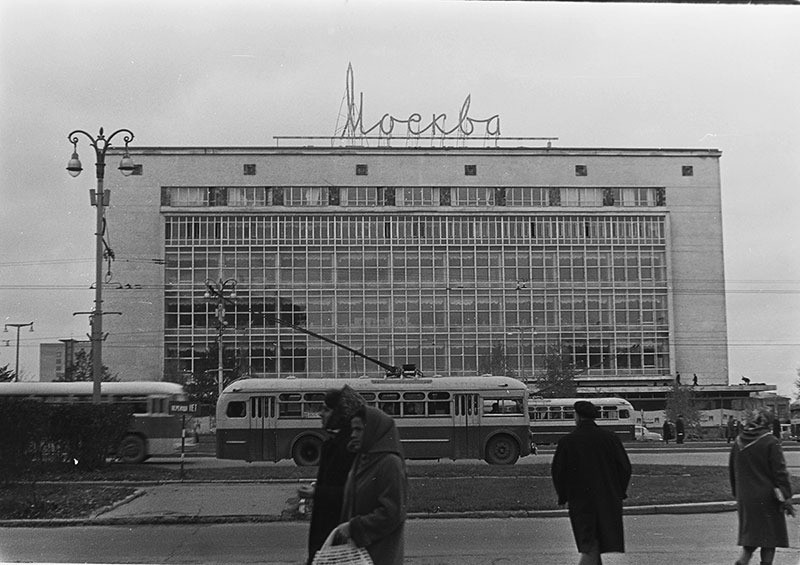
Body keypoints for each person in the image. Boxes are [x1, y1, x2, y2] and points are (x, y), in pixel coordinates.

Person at [551, 401, 632, 565]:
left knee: (589, 543)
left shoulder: (568, 441)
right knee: (596, 541)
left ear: (578, 417)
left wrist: (563, 495)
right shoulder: (611, 439)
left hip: (580, 500)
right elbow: (625, 468)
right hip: (608, 498)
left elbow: (558, 472)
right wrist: (618, 492)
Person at [332, 405, 407, 565]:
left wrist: (354, 528)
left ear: (373, 430)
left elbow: (392, 513)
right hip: (358, 554)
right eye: (353, 429)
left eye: (359, 429)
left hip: (380, 555)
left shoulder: (390, 463)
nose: (353, 435)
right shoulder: (361, 459)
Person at [300, 385, 364, 565]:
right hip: (329, 533)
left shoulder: (347, 447)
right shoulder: (335, 443)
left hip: (336, 533)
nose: (320, 414)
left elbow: (350, 493)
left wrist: (316, 493)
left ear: (339, 414)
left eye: (326, 410)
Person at [729, 408, 794, 565]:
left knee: (751, 535)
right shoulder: (770, 441)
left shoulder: (738, 441)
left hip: (745, 496)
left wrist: (737, 493)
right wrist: (786, 495)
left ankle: (743, 561)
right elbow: (779, 472)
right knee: (769, 538)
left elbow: (732, 469)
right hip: (768, 496)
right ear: (769, 424)